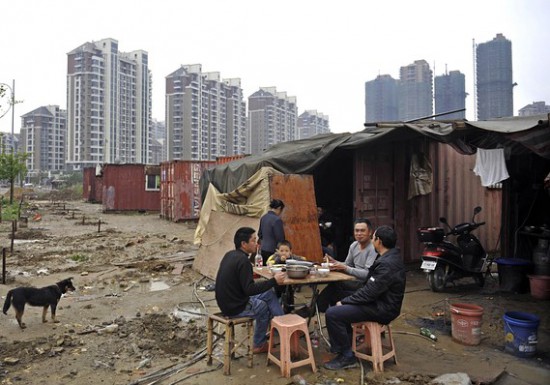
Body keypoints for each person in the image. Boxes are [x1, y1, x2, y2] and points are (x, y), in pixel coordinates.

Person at [323, 225, 406, 370]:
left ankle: (347, 356)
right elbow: (369, 289)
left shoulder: (387, 264)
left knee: (333, 313)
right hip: (378, 301)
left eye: (373, 237)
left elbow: (369, 293)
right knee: (334, 293)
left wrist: (344, 301)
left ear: (378, 241)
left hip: (382, 308)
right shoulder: (388, 256)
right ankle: (342, 344)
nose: (373, 240)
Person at [215, 227, 286, 354]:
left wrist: (270, 283)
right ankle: (259, 343)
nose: (257, 244)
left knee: (269, 294)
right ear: (243, 244)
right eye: (253, 241)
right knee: (264, 307)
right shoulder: (243, 261)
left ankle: (282, 324)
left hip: (227, 302)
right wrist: (273, 281)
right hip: (235, 307)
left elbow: (246, 287)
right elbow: (249, 289)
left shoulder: (230, 255)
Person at [314, 219, 377, 313]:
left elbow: (366, 274)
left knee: (334, 288)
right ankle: (322, 308)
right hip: (352, 280)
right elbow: (347, 264)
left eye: (362, 231)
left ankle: (317, 308)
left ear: (370, 232)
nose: (359, 233)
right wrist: (334, 262)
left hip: (364, 285)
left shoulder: (372, 249)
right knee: (334, 286)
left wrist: (344, 268)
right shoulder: (354, 245)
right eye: (357, 231)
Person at [258, 199, 286, 265]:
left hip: (263, 250)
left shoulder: (263, 218)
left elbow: (260, 234)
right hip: (273, 252)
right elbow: (280, 238)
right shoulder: (277, 220)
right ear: (279, 208)